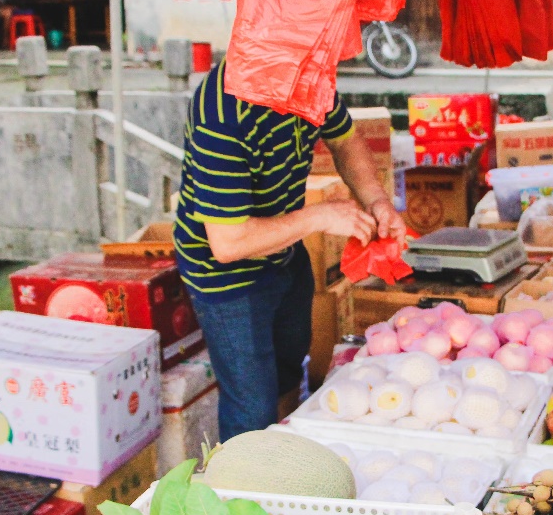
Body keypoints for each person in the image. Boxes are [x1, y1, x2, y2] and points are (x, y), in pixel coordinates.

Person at [174, 61, 406, 439]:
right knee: (251, 408)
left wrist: (377, 200)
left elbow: (345, 139)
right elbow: (229, 244)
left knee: (289, 373)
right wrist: (318, 217)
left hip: (284, 251)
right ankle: (245, 488)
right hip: (226, 274)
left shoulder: (309, 73)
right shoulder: (221, 111)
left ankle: (283, 465)